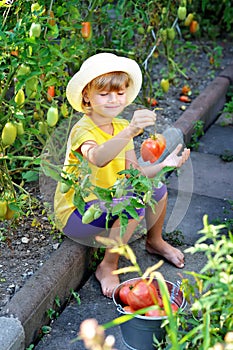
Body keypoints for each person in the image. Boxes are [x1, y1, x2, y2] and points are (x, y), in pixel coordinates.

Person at [54, 53, 190, 298]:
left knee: (155, 187)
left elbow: (133, 174)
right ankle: (107, 265)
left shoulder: (119, 127)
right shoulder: (83, 130)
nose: (113, 100)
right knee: (132, 204)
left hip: (107, 204)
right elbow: (97, 157)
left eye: (119, 93)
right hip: (78, 214)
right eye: (104, 94)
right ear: (87, 96)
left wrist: (164, 165)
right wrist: (130, 131)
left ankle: (154, 241)